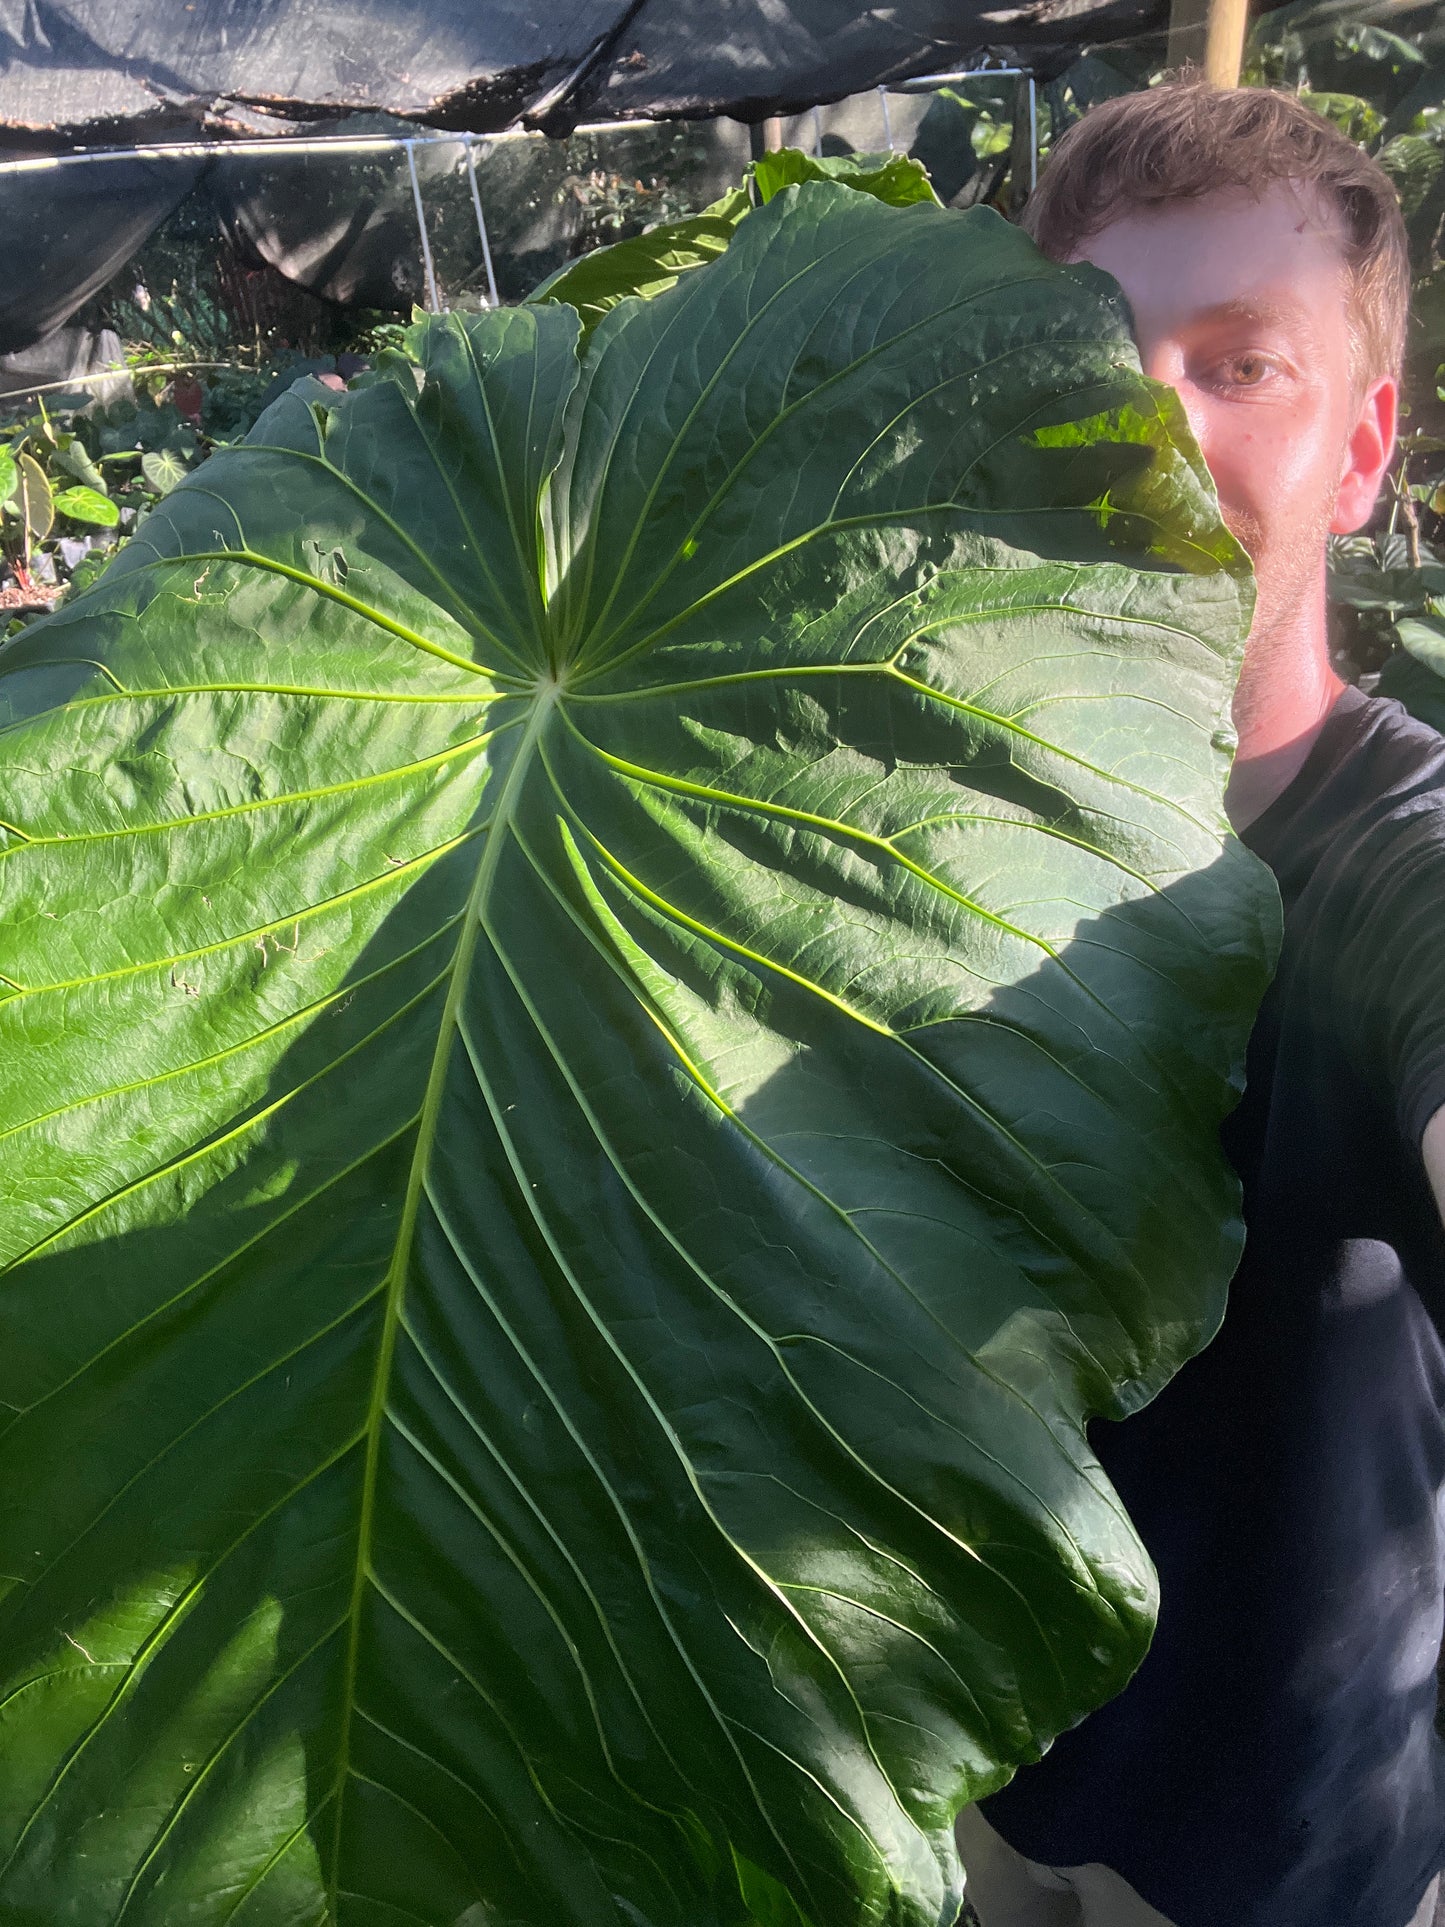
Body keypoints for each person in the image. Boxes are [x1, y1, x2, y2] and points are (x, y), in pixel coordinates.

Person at [955, 81, 1445, 1927]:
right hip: (985, 1772)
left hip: (1282, 1862)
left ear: (1364, 445)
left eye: (1241, 366)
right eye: (1104, 352)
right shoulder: (907, 840)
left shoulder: (1394, 857)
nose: (1152, 418)